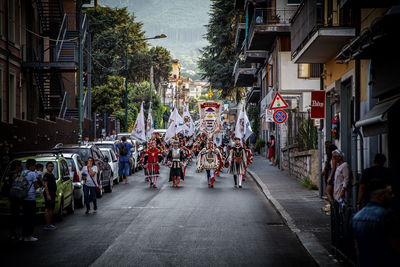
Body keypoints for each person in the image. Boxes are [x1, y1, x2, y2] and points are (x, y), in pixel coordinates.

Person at [352, 180, 397, 267]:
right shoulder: (386, 216)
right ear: (380, 196)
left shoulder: (357, 217)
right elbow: (395, 246)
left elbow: (357, 247)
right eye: (389, 193)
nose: (393, 196)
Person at [22, 159, 40, 242]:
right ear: (32, 166)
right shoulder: (32, 174)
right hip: (31, 197)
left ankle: (24, 235)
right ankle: (29, 235)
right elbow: (36, 186)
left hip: (23, 197)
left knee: (25, 217)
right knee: (31, 217)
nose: (35, 167)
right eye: (34, 165)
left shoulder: (23, 172)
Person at [321, 141, 337, 213]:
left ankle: (332, 207)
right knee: (331, 192)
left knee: (327, 191)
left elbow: (333, 167)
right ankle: (333, 206)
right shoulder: (332, 157)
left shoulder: (333, 157)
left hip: (332, 175)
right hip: (332, 174)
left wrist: (330, 177)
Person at [43, 162, 57, 230]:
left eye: (52, 166)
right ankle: (47, 224)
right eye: (49, 166)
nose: (51, 167)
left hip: (52, 193)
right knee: (48, 209)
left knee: (51, 209)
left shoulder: (51, 174)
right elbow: (45, 185)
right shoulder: (46, 175)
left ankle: (50, 224)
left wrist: (55, 193)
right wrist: (48, 195)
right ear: (46, 167)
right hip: (49, 194)